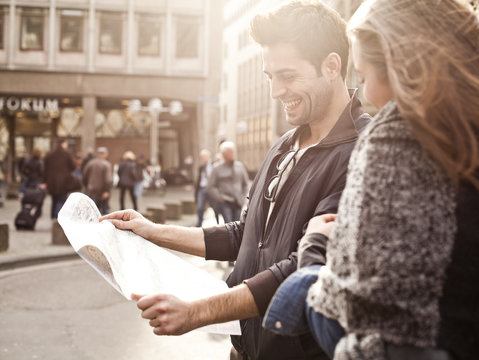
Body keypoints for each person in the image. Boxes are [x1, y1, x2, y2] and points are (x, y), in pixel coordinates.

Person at [263, 1, 479, 359]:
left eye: (363, 78)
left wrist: (315, 248)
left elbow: (354, 308)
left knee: (301, 291)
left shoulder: (397, 135)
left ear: (400, 66)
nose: (365, 95)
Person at [101, 2, 370, 359]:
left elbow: (302, 267)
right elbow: (244, 236)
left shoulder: (364, 151)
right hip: (244, 351)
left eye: (287, 76)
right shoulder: (284, 145)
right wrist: (152, 231)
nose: (276, 91)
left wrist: (197, 311)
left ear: (331, 66)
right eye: (269, 77)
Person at [207, 142, 249, 223]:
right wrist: (219, 197)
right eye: (230, 152)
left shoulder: (240, 166)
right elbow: (210, 186)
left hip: (238, 202)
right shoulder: (216, 168)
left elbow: (245, 184)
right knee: (229, 224)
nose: (233, 154)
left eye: (233, 152)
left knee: (237, 224)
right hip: (225, 202)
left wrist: (243, 197)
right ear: (224, 154)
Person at [43, 139, 76, 219]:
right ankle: (61, 217)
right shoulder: (67, 154)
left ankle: (53, 216)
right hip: (63, 182)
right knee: (63, 200)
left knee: (54, 200)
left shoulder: (50, 155)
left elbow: (45, 169)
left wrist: (45, 181)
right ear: (63, 144)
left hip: (52, 183)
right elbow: (73, 166)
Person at [83, 147, 113, 215]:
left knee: (92, 213)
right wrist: (107, 190)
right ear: (105, 154)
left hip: (91, 191)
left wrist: (87, 186)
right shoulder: (106, 164)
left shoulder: (90, 163)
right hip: (102, 192)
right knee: (105, 214)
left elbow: (84, 177)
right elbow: (108, 179)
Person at [195, 149, 219, 226]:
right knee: (200, 207)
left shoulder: (214, 166)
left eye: (204, 157)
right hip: (202, 189)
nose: (202, 159)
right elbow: (198, 180)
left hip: (211, 189)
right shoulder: (201, 167)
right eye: (201, 157)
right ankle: (199, 224)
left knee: (215, 207)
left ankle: (218, 223)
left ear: (208, 156)